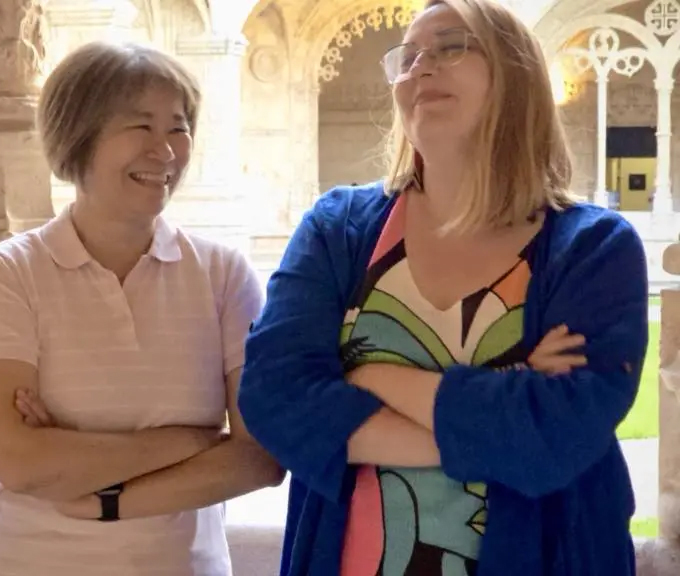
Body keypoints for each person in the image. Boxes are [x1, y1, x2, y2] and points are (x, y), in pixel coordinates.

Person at [238, 1, 648, 575]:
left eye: (452, 46)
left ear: (516, 74)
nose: (421, 66)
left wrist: (370, 377)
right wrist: (500, 407)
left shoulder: (593, 248)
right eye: (407, 57)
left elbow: (559, 435)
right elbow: (274, 399)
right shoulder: (338, 230)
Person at [0, 41, 284, 576]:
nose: (166, 151)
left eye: (178, 128)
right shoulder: (9, 272)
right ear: (78, 135)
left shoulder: (223, 274)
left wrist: (101, 495)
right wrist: (193, 440)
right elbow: (20, 462)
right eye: (141, 127)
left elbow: (260, 459)